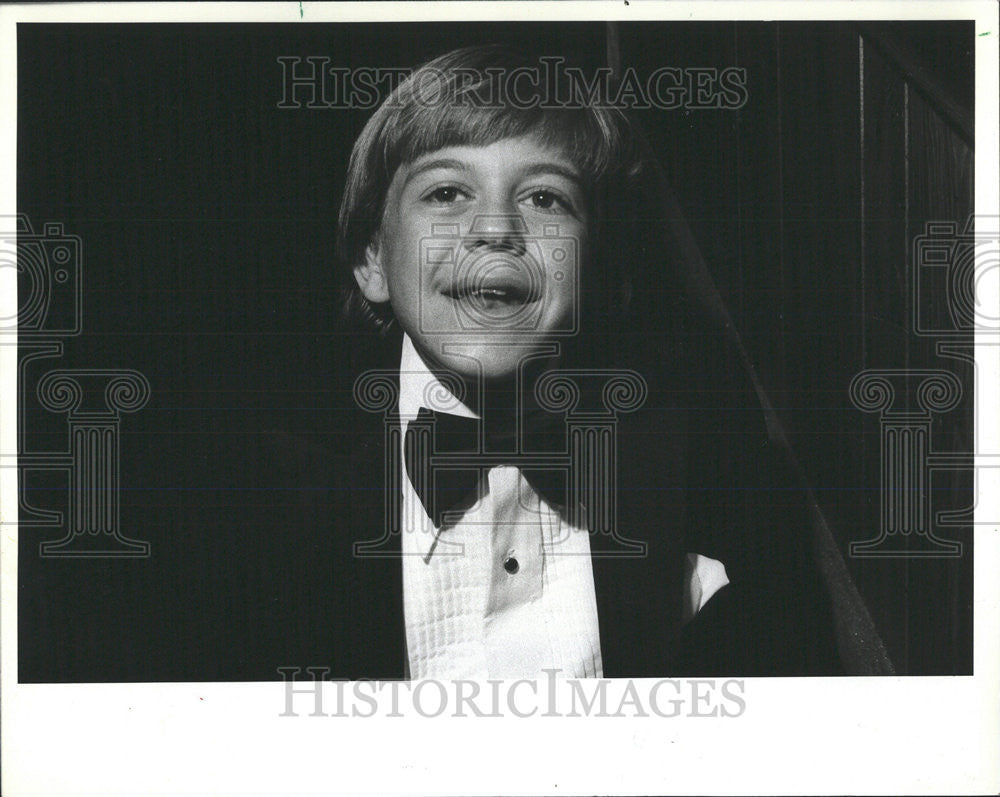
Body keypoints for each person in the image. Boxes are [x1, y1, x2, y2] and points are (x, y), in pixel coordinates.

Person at [287, 43, 880, 679]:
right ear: (373, 260)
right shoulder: (276, 484)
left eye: (545, 199)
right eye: (448, 192)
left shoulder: (692, 441)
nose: (496, 229)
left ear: (592, 267)